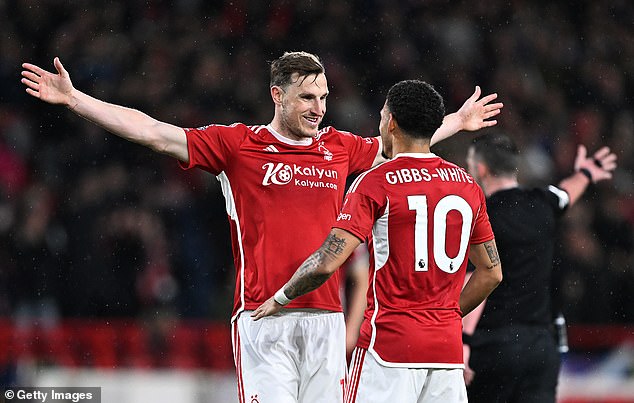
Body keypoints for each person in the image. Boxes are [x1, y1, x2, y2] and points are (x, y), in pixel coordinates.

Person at [21, 52, 502, 402]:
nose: (318, 108)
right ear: (277, 94)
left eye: (324, 97)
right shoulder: (236, 146)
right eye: (307, 97)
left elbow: (405, 149)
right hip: (264, 317)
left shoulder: (339, 147)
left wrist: (456, 121)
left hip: (327, 323)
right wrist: (77, 100)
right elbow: (153, 132)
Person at [252, 80, 504, 403]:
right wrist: (448, 315)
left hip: (388, 351)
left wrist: (281, 297)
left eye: (383, 114)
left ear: (392, 123)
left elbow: (328, 261)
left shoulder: (375, 183)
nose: (380, 121)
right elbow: (492, 272)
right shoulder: (467, 186)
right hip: (446, 356)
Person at [462, 133, 617, 403]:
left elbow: (476, 281)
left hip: (493, 345)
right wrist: (586, 173)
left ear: (481, 169)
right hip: (540, 346)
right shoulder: (542, 202)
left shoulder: (480, 215)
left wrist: (462, 341)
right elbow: (567, 193)